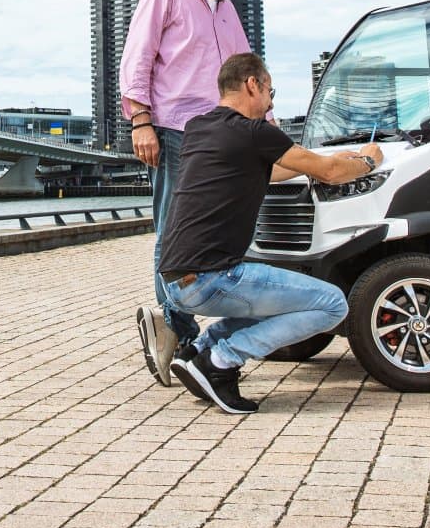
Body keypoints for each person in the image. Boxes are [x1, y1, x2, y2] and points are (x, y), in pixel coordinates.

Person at [158, 52, 382, 414]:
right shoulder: (254, 132)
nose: (271, 101)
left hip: (175, 284)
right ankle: (220, 362)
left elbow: (266, 174)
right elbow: (329, 172)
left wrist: (314, 167)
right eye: (270, 91)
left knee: (283, 304)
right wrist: (369, 160)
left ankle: (197, 350)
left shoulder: (200, 129)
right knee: (331, 304)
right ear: (252, 84)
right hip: (213, 279)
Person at [121, 0, 258, 386]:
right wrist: (141, 122)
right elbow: (137, 59)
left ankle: (181, 329)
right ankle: (177, 330)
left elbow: (246, 71)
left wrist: (267, 121)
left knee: (212, 230)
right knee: (173, 229)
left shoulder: (227, 12)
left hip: (221, 135)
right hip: (174, 131)